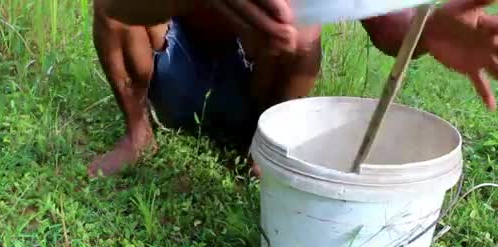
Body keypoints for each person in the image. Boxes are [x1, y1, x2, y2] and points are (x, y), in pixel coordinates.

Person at [88, 0, 498, 178]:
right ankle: (138, 133)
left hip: (256, 93)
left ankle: (262, 151)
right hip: (175, 71)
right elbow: (119, 9)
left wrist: (429, 30)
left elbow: (388, 25)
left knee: (302, 24)